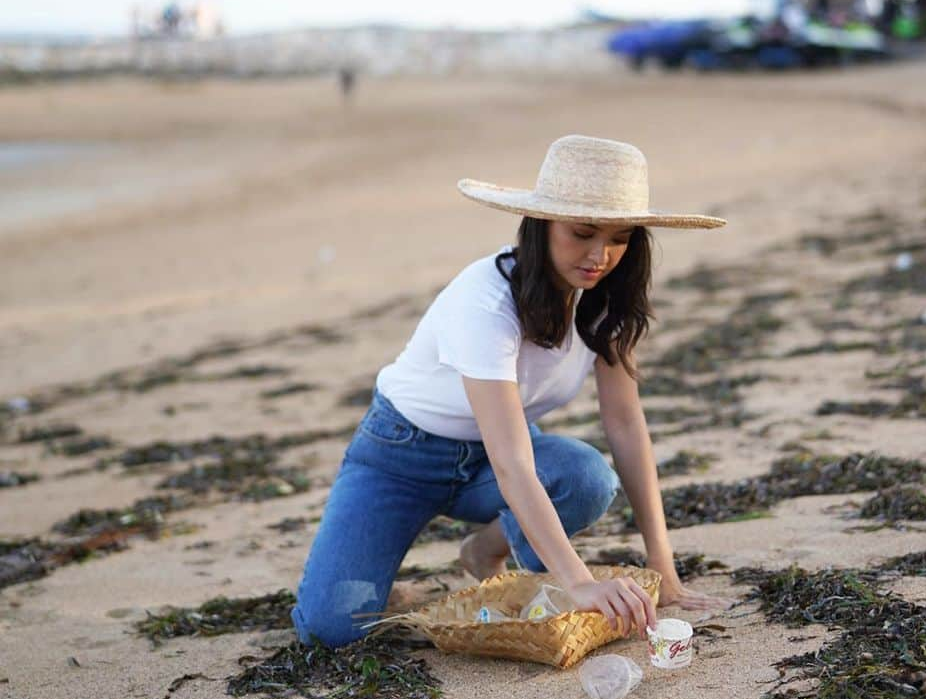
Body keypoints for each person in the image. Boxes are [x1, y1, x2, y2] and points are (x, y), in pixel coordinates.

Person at [291, 134, 726, 648]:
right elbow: (513, 464)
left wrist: (663, 565)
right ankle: (375, 578)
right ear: (541, 226)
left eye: (619, 237)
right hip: (400, 459)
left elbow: (627, 427)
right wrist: (581, 582)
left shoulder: (604, 300)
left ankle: (484, 551)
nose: (600, 255)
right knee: (331, 631)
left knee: (584, 477)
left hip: (490, 463)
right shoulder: (486, 301)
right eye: (583, 232)